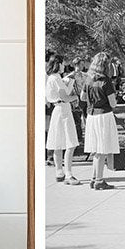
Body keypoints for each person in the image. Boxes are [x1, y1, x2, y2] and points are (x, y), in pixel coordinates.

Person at [81, 51, 120, 189]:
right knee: (101, 149)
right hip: (103, 115)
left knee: (96, 149)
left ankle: (93, 177)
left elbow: (82, 98)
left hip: (91, 115)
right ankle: (99, 180)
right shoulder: (106, 81)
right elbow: (113, 103)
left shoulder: (88, 79)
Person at [44, 55, 83, 184]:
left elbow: (63, 91)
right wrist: (76, 97)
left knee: (57, 143)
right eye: (62, 64)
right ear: (58, 64)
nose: (63, 66)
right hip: (64, 110)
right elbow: (65, 97)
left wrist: (70, 80)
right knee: (70, 143)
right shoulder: (56, 78)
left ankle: (59, 172)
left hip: (57, 109)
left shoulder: (52, 78)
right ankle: (69, 174)